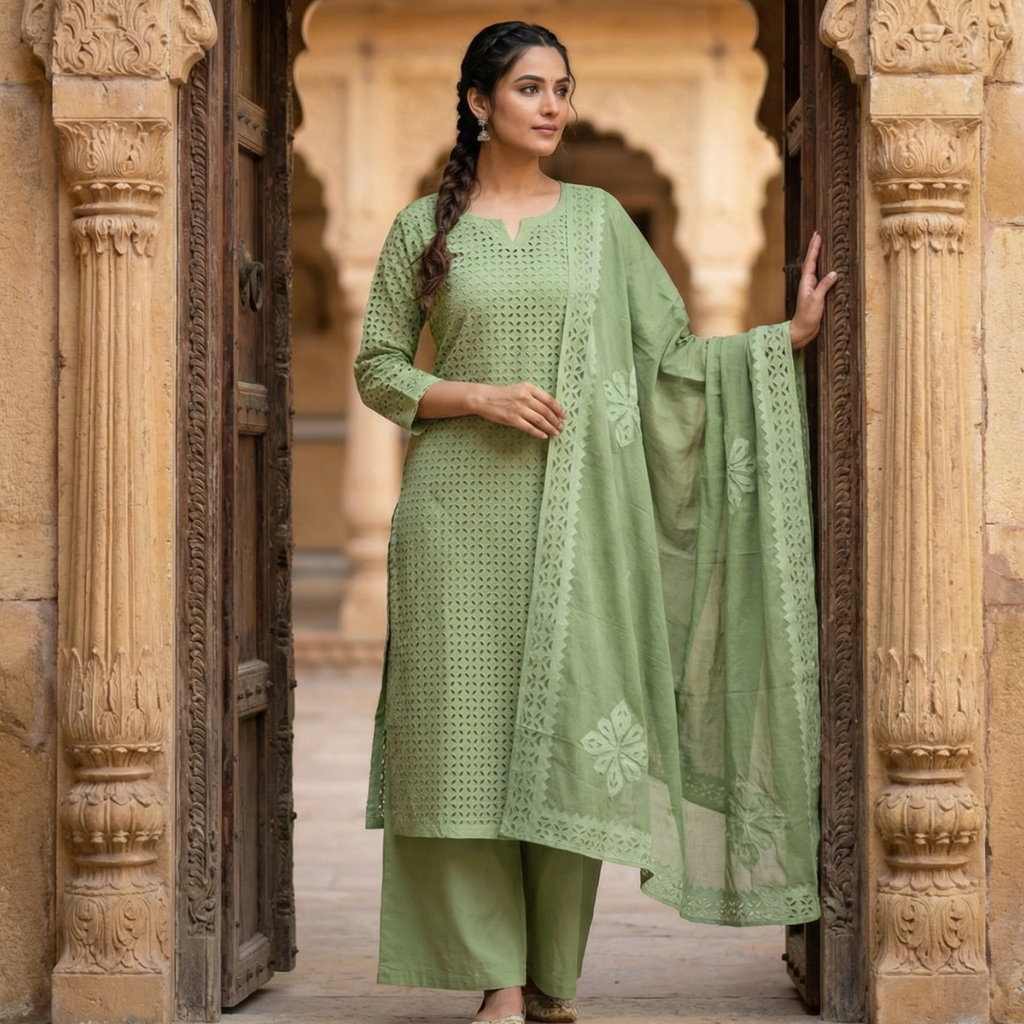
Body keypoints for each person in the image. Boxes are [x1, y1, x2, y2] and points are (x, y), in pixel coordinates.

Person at [353, 21, 837, 1024]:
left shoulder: (603, 224)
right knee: (462, 747)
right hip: (454, 524)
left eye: (563, 88)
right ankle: (497, 978)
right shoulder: (421, 230)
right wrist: (477, 396)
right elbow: (377, 369)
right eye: (530, 87)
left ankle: (552, 979)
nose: (553, 106)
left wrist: (774, 343)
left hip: (582, 531)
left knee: (576, 738)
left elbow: (668, 362)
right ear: (480, 102)